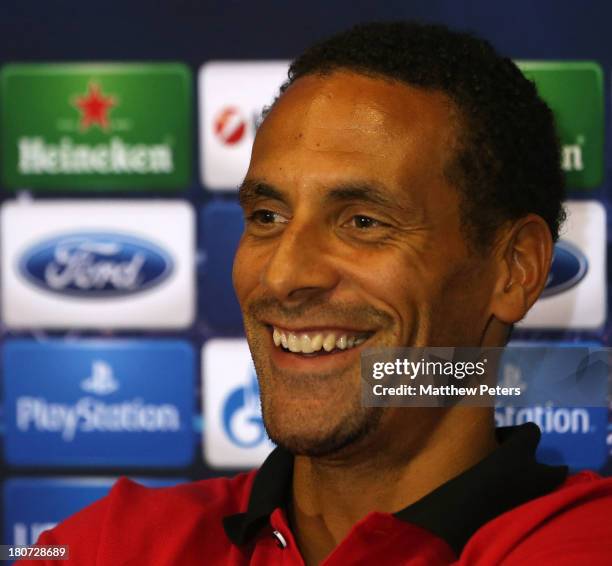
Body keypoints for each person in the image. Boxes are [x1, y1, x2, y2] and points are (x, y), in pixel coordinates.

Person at [26, 21, 612, 565]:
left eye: (362, 222)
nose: (282, 276)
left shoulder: (586, 543)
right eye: (267, 215)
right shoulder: (103, 544)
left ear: (514, 269)